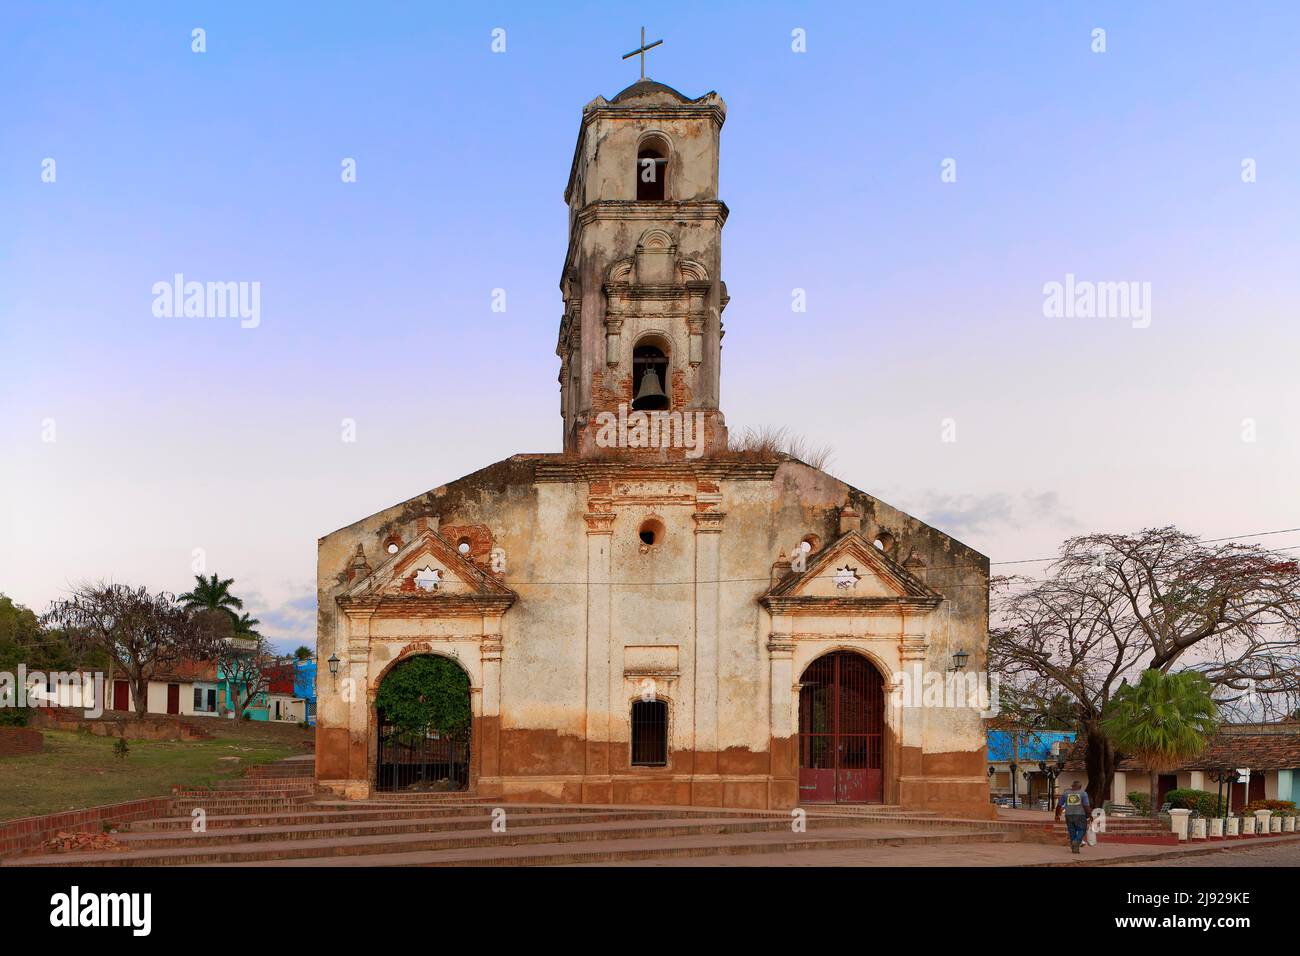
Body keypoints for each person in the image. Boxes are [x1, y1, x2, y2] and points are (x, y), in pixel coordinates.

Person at [1057, 780, 1091, 853]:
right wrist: (1089, 815)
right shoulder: (1083, 794)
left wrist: (1057, 815)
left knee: (1072, 831)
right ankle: (1076, 841)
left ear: (1072, 786)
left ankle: (1074, 848)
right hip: (1080, 815)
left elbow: (1059, 805)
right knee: (1082, 829)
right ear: (1080, 787)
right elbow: (1086, 806)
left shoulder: (1065, 793)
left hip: (1068, 815)